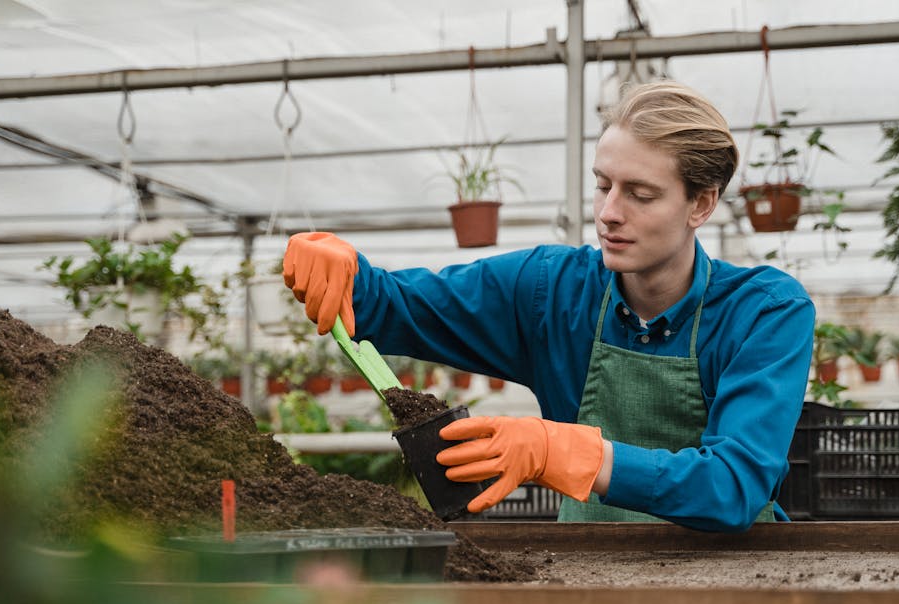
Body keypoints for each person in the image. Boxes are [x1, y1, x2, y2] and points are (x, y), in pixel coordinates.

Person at [282, 81, 815, 531]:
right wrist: (342, 266)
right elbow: (397, 307)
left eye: (640, 194)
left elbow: (734, 485)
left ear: (701, 203)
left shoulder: (763, 311)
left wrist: (566, 452)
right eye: (603, 186)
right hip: (586, 578)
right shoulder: (551, 292)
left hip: (739, 587)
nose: (608, 213)